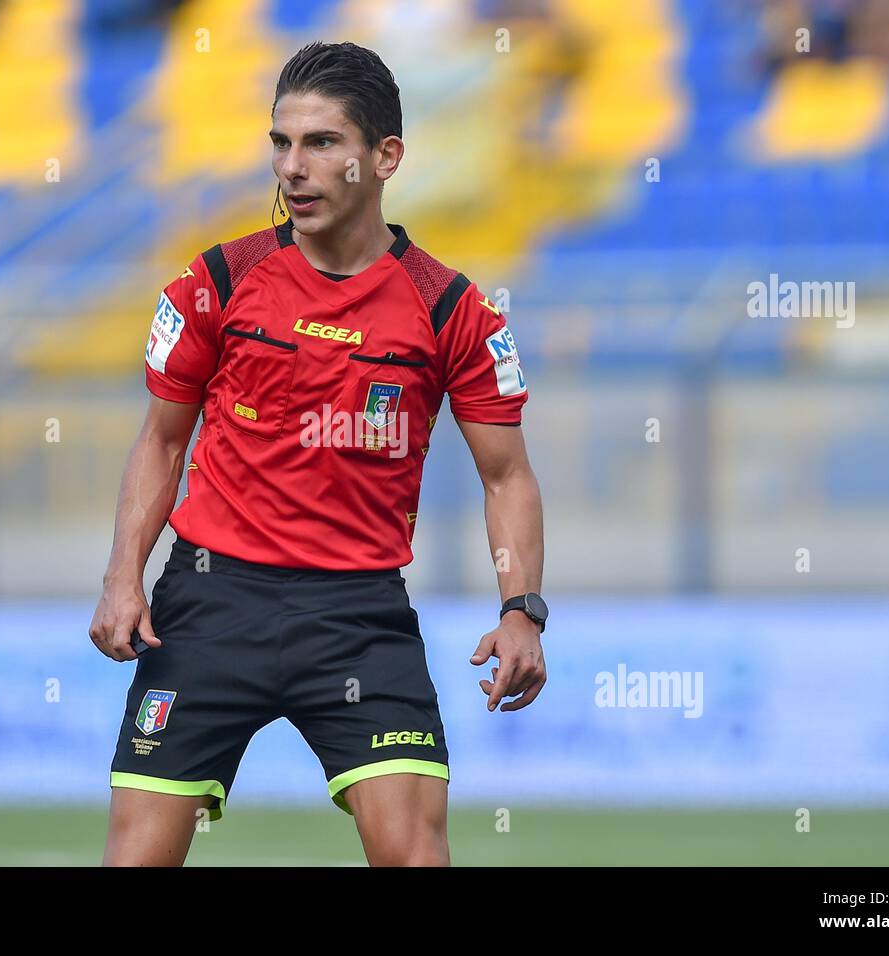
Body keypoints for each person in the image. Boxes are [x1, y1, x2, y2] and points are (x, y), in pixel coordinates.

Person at [89, 40, 547, 867]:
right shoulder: (218, 283)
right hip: (209, 604)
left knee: (416, 857)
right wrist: (124, 575)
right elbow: (160, 443)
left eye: (322, 143)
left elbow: (505, 474)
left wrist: (522, 610)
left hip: (358, 618)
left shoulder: (452, 310)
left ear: (385, 157)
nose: (293, 168)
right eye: (281, 143)